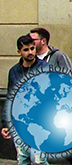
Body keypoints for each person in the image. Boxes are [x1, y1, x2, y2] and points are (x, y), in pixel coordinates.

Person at [30, 28, 72, 165]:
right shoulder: (30, 58)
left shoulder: (58, 57)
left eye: (33, 39)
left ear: (43, 41)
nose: (30, 42)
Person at [2, 35, 51, 164]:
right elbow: (10, 97)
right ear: (19, 52)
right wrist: (6, 123)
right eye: (26, 50)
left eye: (32, 48)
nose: (30, 52)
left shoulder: (44, 68)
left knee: (38, 160)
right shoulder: (14, 71)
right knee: (23, 158)